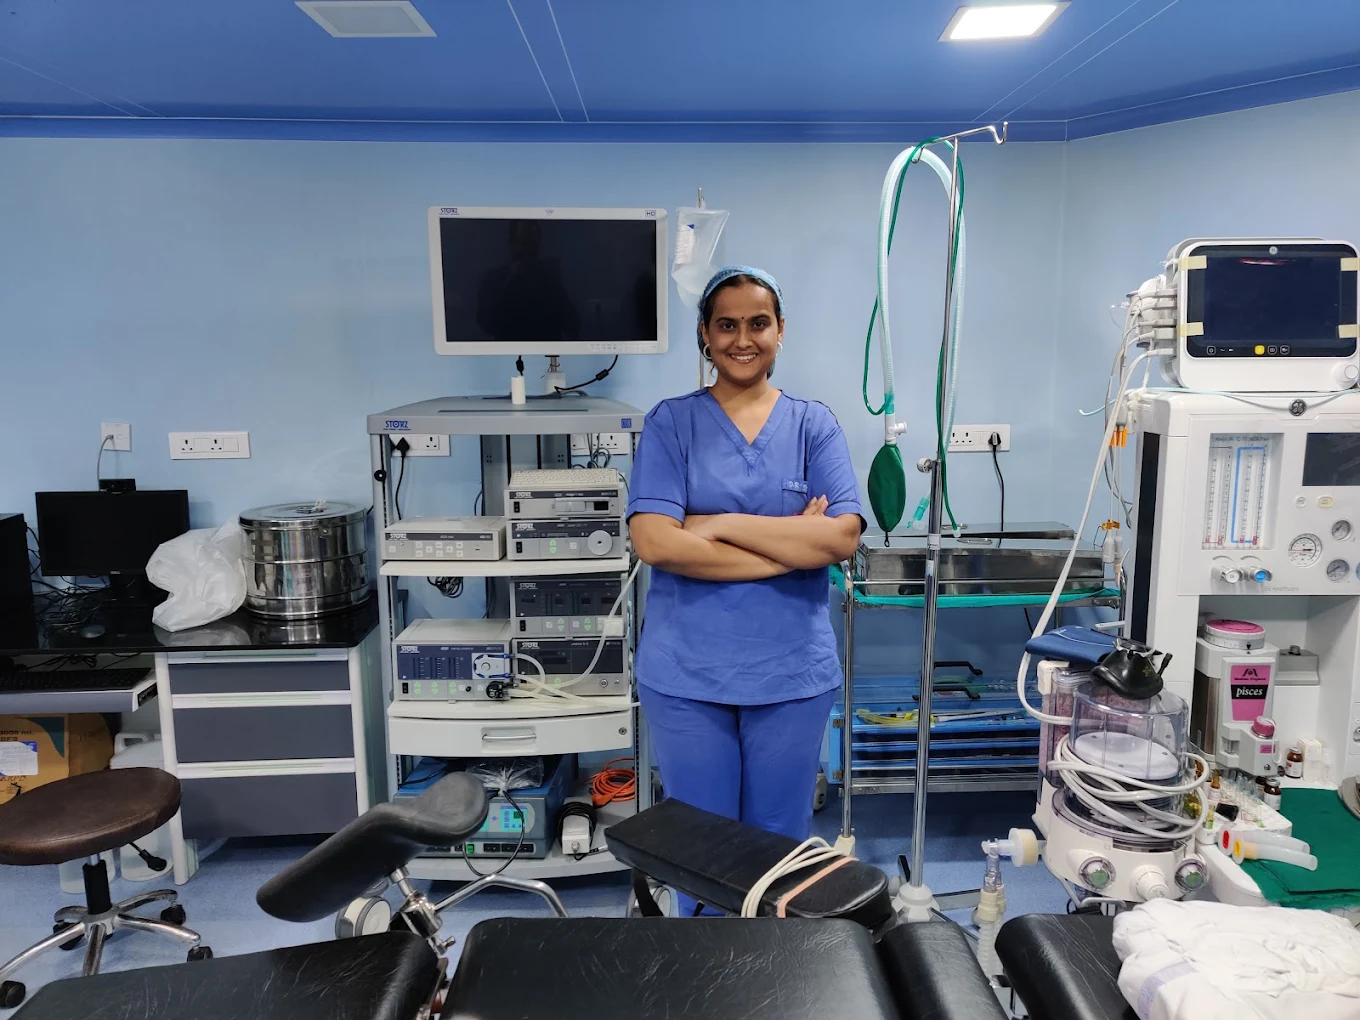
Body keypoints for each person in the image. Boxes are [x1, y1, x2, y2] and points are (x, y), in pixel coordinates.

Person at [627, 266, 864, 910]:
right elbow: (655, 543)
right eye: (726, 325)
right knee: (699, 854)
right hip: (687, 675)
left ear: (780, 331)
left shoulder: (813, 425)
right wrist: (789, 548)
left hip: (790, 674)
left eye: (758, 323)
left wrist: (720, 524)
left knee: (778, 854)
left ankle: (771, 969)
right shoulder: (672, 423)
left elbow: (841, 537)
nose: (742, 339)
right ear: (705, 335)